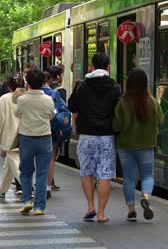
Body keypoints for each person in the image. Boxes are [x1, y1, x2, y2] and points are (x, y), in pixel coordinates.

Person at [68, 53, 121, 223]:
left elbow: (72, 106)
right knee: (104, 174)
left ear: (91, 66)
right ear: (108, 68)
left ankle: (90, 206)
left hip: (86, 136)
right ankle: (101, 213)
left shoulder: (81, 86)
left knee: (86, 172)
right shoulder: (115, 87)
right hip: (106, 137)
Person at [113, 68, 163, 221]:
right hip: (146, 145)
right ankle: (146, 196)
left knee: (128, 178)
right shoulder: (152, 101)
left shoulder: (122, 102)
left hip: (126, 146)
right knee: (147, 175)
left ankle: (131, 211)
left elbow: (116, 126)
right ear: (145, 84)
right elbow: (160, 120)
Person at [16, 68, 55, 216]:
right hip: (44, 138)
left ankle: (26, 200)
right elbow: (51, 115)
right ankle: (39, 206)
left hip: (26, 138)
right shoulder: (48, 99)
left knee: (25, 172)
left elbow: (17, 113)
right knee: (42, 174)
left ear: (28, 82)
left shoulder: (22, 99)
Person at [0, 74, 23, 199]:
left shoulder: (4, 99)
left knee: (15, 165)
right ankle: (2, 190)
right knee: (8, 166)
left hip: (10, 138)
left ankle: (27, 187)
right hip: (24, 136)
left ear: (9, 85)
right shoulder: (26, 97)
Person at [46, 65, 66, 192]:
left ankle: (44, 181)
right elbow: (63, 112)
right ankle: (49, 183)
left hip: (40, 127)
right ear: (58, 76)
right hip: (54, 127)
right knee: (51, 156)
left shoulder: (43, 89)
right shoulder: (60, 91)